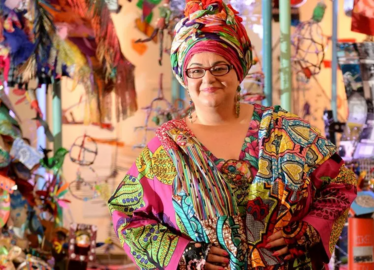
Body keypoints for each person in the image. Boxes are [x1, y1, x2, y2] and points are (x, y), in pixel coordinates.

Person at [108, 1, 357, 269]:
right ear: (183, 76)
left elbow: (341, 184)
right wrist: (181, 253)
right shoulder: (168, 149)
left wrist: (305, 232)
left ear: (238, 69)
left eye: (220, 67)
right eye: (196, 70)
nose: (208, 79)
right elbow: (127, 215)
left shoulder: (285, 130)